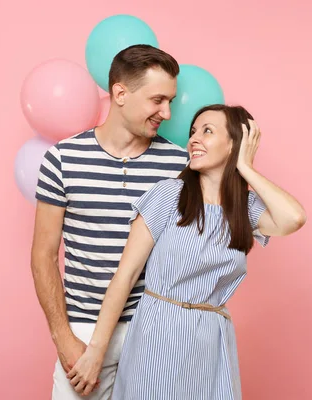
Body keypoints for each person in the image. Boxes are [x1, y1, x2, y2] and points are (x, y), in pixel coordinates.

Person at [65, 104, 307, 399]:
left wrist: (245, 167)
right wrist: (95, 353)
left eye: (207, 131)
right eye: (193, 131)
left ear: (235, 144)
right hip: (158, 332)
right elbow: (125, 277)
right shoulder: (169, 194)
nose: (193, 139)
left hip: (210, 340)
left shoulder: (244, 209)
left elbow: (293, 218)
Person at [30, 44, 189, 399]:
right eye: (157, 100)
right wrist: (63, 337)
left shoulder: (179, 166)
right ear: (120, 93)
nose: (166, 112)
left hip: (153, 332)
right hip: (84, 334)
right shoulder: (63, 159)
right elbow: (43, 255)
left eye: (170, 102)